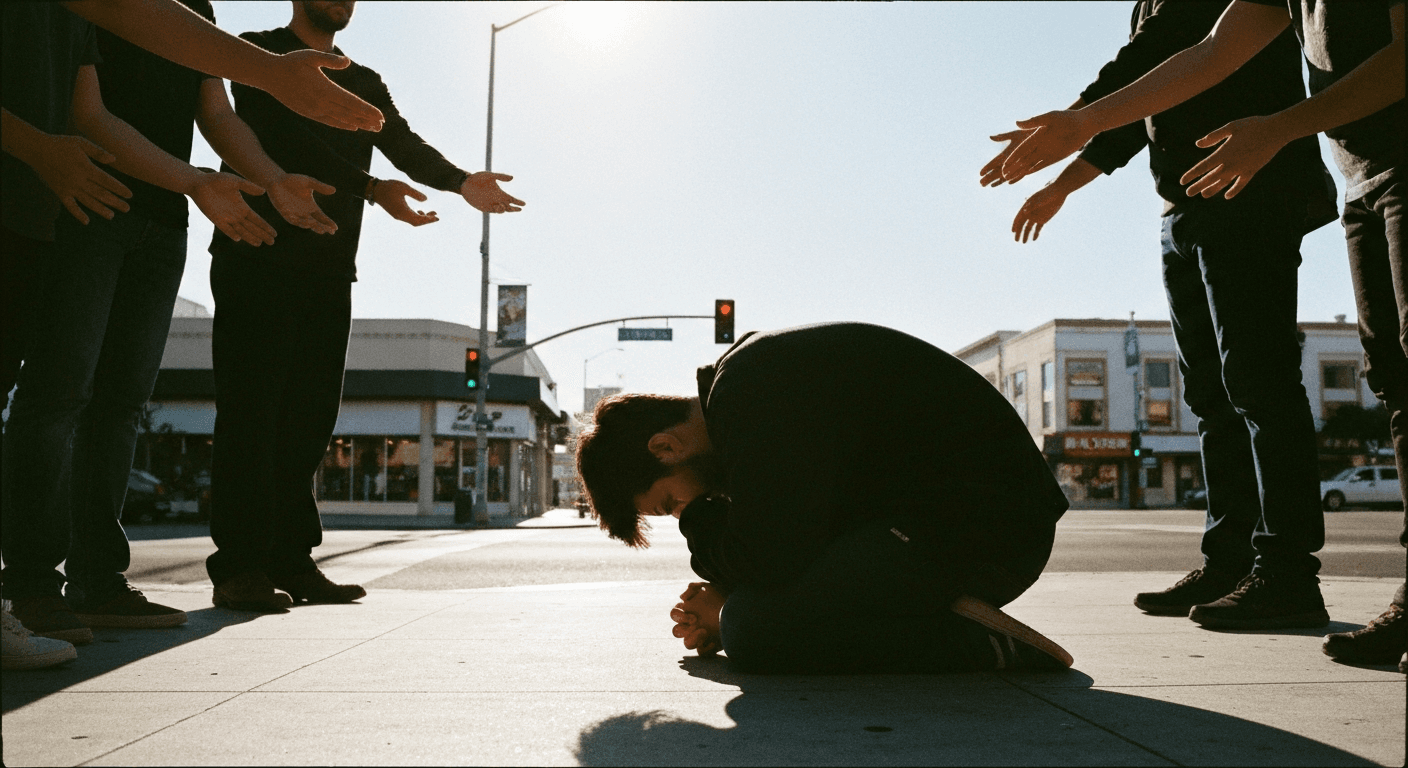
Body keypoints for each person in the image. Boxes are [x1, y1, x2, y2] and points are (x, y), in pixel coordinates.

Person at [999, 0, 1403, 670]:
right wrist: (1069, 169)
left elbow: (1169, 52)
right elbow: (1169, 83)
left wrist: (1080, 118)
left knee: (1261, 385)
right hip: (1205, 200)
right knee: (1216, 396)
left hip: (1254, 188)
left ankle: (1286, 570)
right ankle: (1232, 561)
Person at [4, 0, 348, 645]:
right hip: (90, 196)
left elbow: (215, 113)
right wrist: (194, 179)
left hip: (166, 220)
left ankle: (98, 582)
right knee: (57, 396)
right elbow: (89, 115)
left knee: (121, 405)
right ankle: (28, 585)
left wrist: (271, 180)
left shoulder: (198, 5)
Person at [202, 0, 525, 612]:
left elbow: (400, 142)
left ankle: (293, 561)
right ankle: (239, 568)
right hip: (257, 250)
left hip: (329, 265)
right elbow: (281, 139)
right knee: (251, 414)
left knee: (308, 420)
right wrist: (371, 188)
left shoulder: (366, 81)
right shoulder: (258, 52)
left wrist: (460, 183)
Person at [576, 322, 1074, 674]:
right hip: (934, 526)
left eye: (670, 505)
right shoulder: (748, 389)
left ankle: (975, 643)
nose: (686, 512)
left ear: (666, 447)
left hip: (986, 535)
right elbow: (789, 538)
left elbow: (771, 555)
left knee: (753, 629)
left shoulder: (751, 392)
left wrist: (724, 599)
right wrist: (728, 592)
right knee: (748, 616)